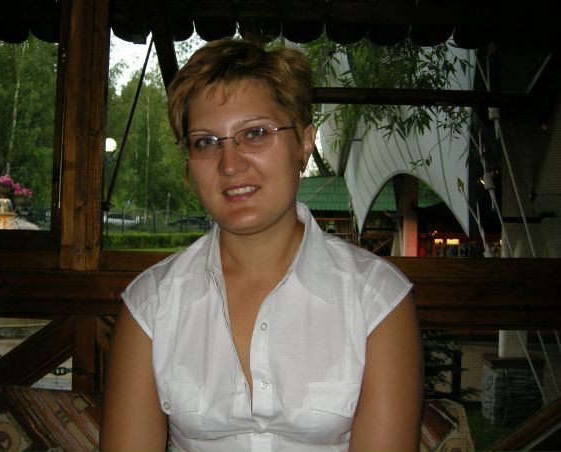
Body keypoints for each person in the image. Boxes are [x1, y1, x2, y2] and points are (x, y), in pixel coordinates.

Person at [100, 37, 423, 452]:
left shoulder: (376, 300)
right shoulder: (151, 305)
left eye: (254, 133)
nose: (230, 164)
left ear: (304, 143)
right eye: (206, 141)